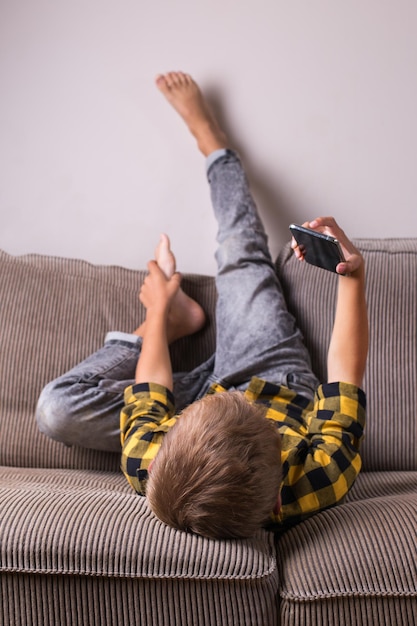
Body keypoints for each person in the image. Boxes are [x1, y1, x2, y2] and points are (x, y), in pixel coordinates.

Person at [36, 71, 368, 540]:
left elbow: (152, 389)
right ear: (278, 498)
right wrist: (352, 275)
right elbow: (344, 376)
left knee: (56, 409)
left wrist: (156, 310)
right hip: (273, 373)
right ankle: (213, 143)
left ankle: (174, 321)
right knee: (239, 254)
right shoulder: (318, 476)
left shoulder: (148, 463)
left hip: (196, 401)